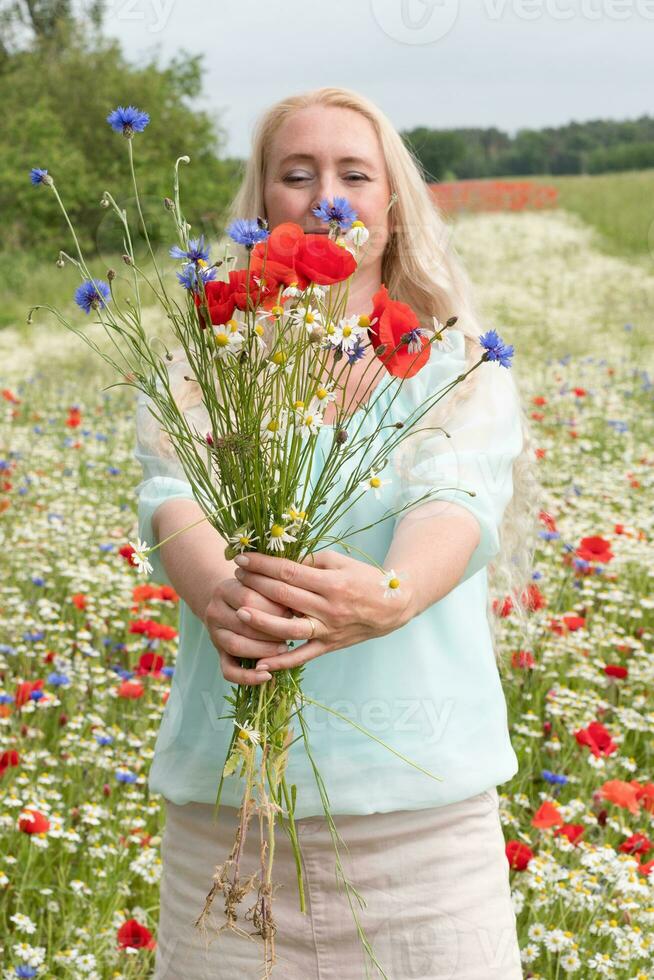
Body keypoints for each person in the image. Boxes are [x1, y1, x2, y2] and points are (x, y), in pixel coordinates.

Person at [136, 86, 538, 980]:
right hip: (230, 838)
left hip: (421, 844)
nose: (329, 196)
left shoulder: (456, 369)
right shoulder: (206, 367)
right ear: (264, 208)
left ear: (391, 210)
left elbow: (457, 505)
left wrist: (386, 598)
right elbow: (173, 500)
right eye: (298, 174)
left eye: (355, 174)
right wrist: (222, 597)